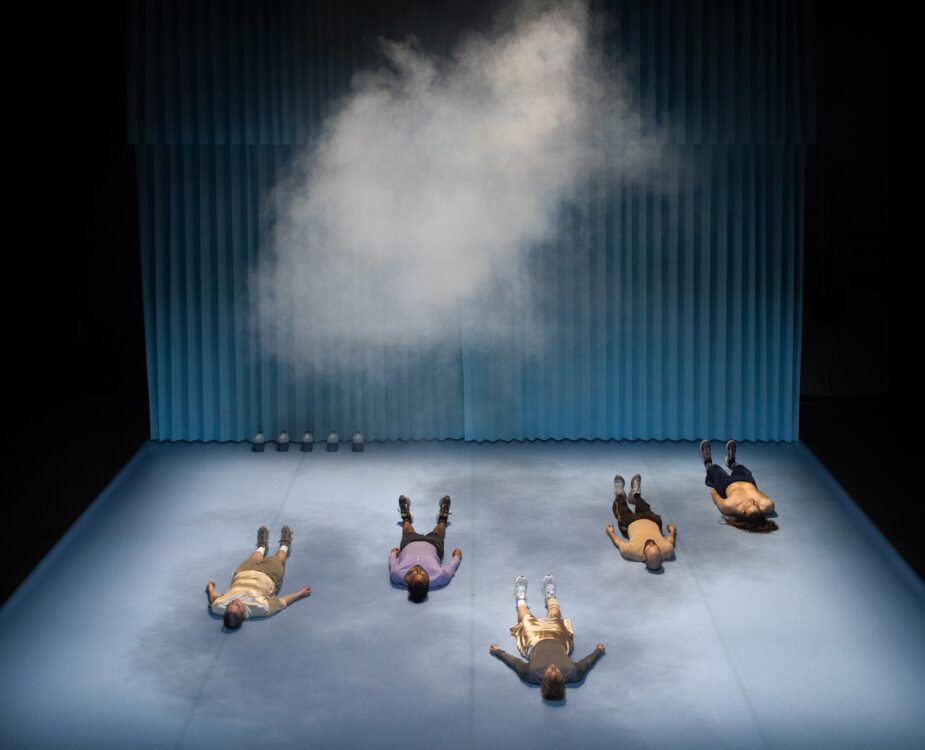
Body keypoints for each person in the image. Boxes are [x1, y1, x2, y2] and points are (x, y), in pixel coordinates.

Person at [490, 575, 604, 701]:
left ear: (543, 681)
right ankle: (551, 596)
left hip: (534, 641)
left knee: (526, 621)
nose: (553, 667)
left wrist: (497, 651)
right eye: (557, 672)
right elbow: (587, 662)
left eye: (549, 672)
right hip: (559, 640)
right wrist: (598, 651)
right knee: (556, 617)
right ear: (562, 681)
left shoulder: (529, 674)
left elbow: (514, 662)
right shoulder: (575, 674)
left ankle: (520, 599)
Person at [206, 525, 311, 629]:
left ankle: (262, 545)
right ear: (243, 613)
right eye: (237, 605)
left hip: (243, 572)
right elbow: (282, 602)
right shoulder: (261, 608)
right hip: (268, 576)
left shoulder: (218, 607)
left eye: (230, 604)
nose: (235, 601)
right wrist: (301, 593)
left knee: (254, 558)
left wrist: (210, 588)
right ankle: (285, 543)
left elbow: (214, 598)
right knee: (278, 558)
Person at [389, 495, 461, 602]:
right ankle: (443, 517)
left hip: (409, 542)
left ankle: (406, 517)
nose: (419, 569)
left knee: (407, 529)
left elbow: (393, 563)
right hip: (433, 544)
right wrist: (457, 556)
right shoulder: (440, 577)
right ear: (428, 582)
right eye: (423, 574)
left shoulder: (397, 575)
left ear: (409, 583)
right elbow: (451, 568)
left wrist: (393, 553)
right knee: (439, 531)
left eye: (414, 573)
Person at [700, 439, 778, 533]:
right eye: (756, 505)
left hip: (726, 484)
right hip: (746, 480)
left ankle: (708, 462)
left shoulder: (729, 506)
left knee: (714, 471)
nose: (752, 501)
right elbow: (762, 494)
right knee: (742, 468)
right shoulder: (768, 505)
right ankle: (731, 462)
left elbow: (715, 496)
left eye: (749, 505)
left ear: (743, 512)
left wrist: (716, 483)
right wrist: (755, 491)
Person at [605, 474, 677, 571]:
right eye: (655, 545)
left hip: (630, 522)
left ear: (644, 557)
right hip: (650, 519)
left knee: (620, 509)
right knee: (644, 506)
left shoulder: (630, 551)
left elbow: (619, 542)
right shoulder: (668, 551)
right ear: (661, 553)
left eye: (648, 547)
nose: (651, 543)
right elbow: (670, 540)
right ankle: (635, 495)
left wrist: (610, 533)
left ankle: (620, 494)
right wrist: (672, 531)